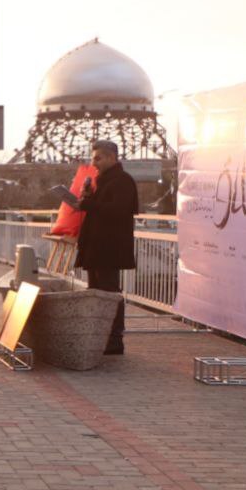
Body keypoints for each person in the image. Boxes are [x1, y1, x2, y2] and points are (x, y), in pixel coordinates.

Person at [76, 139, 139, 355]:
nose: (94, 164)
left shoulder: (122, 181)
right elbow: (100, 209)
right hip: (96, 246)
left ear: (112, 158)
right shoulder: (102, 182)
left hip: (109, 247)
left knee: (109, 292)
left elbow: (117, 210)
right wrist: (87, 198)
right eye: (93, 159)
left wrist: (89, 203)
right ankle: (99, 335)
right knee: (96, 291)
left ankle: (114, 338)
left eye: (98, 158)